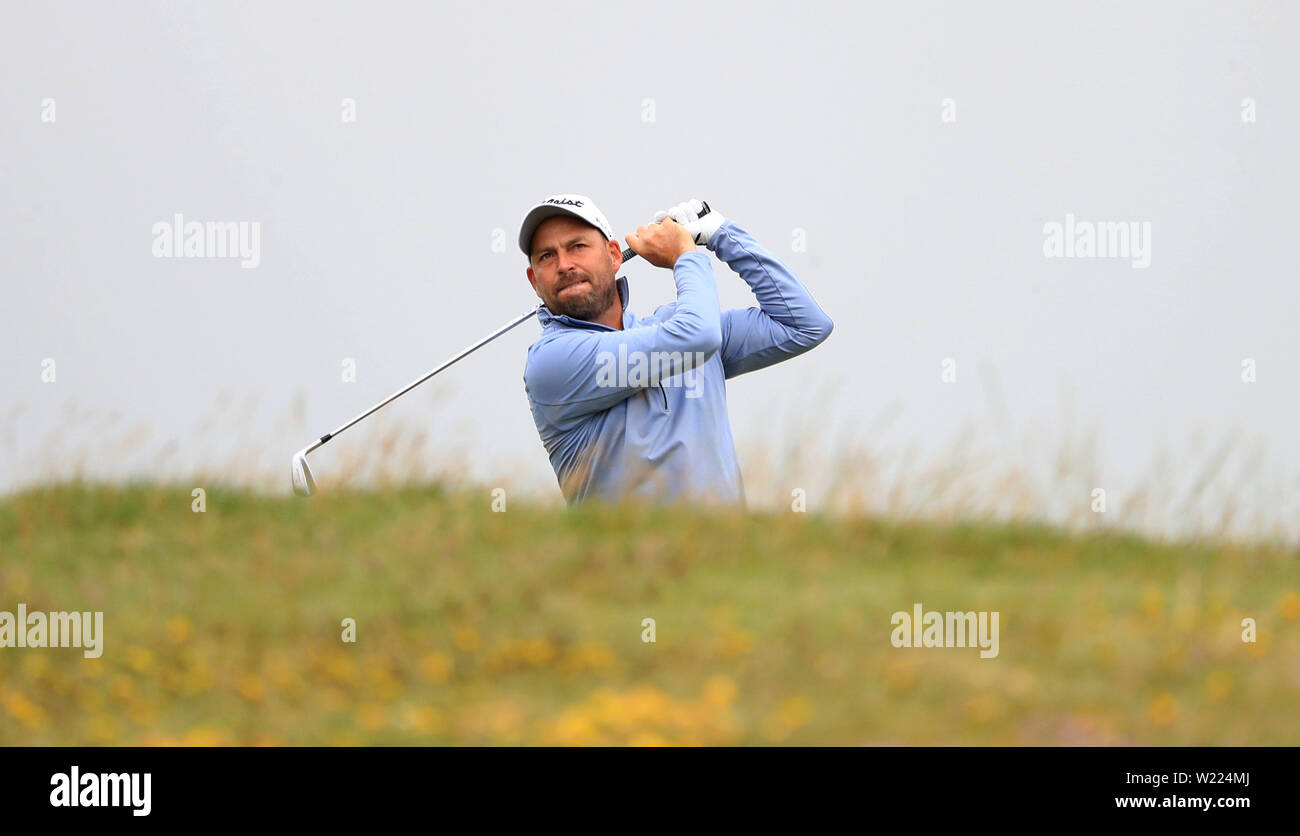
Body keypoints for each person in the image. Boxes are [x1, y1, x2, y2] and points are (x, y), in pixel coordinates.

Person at [519, 194, 833, 506]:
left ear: (614, 256)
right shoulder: (552, 361)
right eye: (546, 256)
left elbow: (803, 324)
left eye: (578, 247)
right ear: (534, 280)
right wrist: (686, 255)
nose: (564, 265)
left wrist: (722, 234)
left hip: (729, 554)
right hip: (622, 556)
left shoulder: (675, 327)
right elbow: (698, 335)